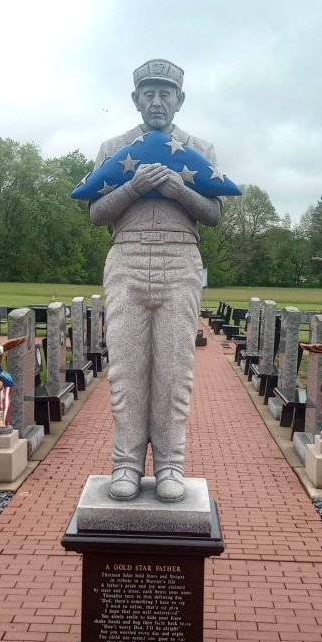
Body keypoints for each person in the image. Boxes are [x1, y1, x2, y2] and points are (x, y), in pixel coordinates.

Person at [90, 59, 221, 503]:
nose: (157, 101)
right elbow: (95, 212)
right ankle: (125, 463)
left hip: (179, 258)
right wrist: (133, 186)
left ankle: (170, 463)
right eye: (148, 92)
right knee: (126, 369)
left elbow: (215, 214)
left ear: (179, 100)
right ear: (135, 99)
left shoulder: (198, 150)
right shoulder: (114, 147)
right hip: (126, 257)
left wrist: (177, 189)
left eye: (166, 93)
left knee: (173, 370)